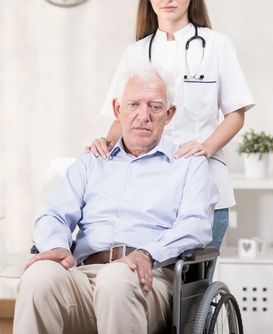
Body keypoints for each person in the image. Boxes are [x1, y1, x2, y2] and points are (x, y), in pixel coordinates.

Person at [13, 64, 218, 334]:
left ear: (169, 115)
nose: (143, 116)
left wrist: (148, 254)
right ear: (118, 110)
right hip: (84, 276)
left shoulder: (188, 164)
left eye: (155, 106)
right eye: (134, 104)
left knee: (116, 279)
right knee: (39, 277)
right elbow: (54, 213)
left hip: (148, 280)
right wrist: (57, 246)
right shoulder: (92, 161)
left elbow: (196, 224)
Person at [89, 0, 255, 249]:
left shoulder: (216, 45)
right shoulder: (136, 52)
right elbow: (122, 117)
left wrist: (205, 147)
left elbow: (236, 113)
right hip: (148, 198)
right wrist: (106, 143)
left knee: (190, 284)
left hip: (204, 186)